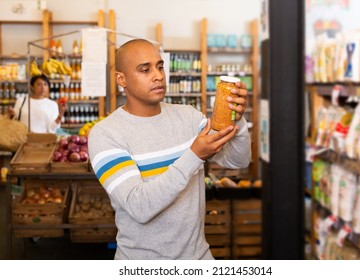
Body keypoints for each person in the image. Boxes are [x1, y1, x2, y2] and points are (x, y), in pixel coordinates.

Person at [88, 39, 251, 260]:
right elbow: (140, 207)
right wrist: (194, 155)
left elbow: (237, 161)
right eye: (145, 69)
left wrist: (237, 121)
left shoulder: (188, 117)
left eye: (160, 66)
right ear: (121, 79)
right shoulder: (106, 133)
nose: (158, 75)